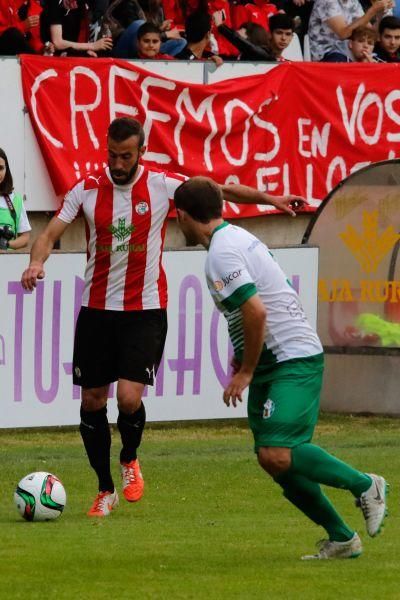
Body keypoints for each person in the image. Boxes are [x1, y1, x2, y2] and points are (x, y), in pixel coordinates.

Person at [21, 117, 302, 517]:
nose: (118, 164)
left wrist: (271, 199)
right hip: (96, 311)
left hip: (145, 310)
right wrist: (36, 262)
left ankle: (130, 458)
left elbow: (218, 189)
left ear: (142, 151)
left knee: (128, 398)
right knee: (91, 401)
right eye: (112, 155)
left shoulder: (161, 184)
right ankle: (105, 489)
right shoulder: (85, 189)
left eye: (126, 156)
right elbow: (48, 234)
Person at [173, 176, 388, 560]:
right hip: (274, 359)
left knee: (278, 451)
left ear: (182, 215)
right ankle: (342, 538)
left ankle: (365, 485)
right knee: (272, 459)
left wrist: (245, 372)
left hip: (291, 357)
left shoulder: (221, 253)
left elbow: (256, 310)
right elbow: (246, 314)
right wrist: (243, 357)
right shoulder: (232, 236)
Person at [308, 0, 393, 62]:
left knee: (379, 62)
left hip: (351, 51)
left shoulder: (353, 2)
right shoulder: (327, 2)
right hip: (326, 55)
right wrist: (372, 10)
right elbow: (343, 33)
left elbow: (371, 33)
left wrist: (380, 14)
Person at [40, 0, 113, 56]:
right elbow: (58, 43)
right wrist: (92, 46)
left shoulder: (82, 4)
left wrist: (85, 50)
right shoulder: (55, 3)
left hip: (71, 51)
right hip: (51, 54)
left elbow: (81, 35)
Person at [0, 148, 31, 251]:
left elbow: (25, 237)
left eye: (0, 168)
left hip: (8, 263)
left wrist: (6, 244)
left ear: (6, 169)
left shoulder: (16, 200)